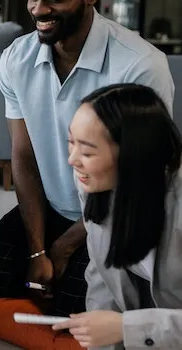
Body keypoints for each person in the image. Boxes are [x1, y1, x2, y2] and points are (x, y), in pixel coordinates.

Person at [0, 0, 175, 317]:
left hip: (113, 215)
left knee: (72, 315)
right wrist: (37, 250)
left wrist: (63, 248)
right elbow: (24, 155)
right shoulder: (16, 58)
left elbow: (139, 176)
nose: (38, 9)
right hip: (48, 208)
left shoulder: (140, 64)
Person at [52, 83, 182, 349]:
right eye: (71, 143)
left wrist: (128, 328)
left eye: (87, 151)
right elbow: (102, 277)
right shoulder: (93, 182)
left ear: (133, 154)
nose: (72, 160)